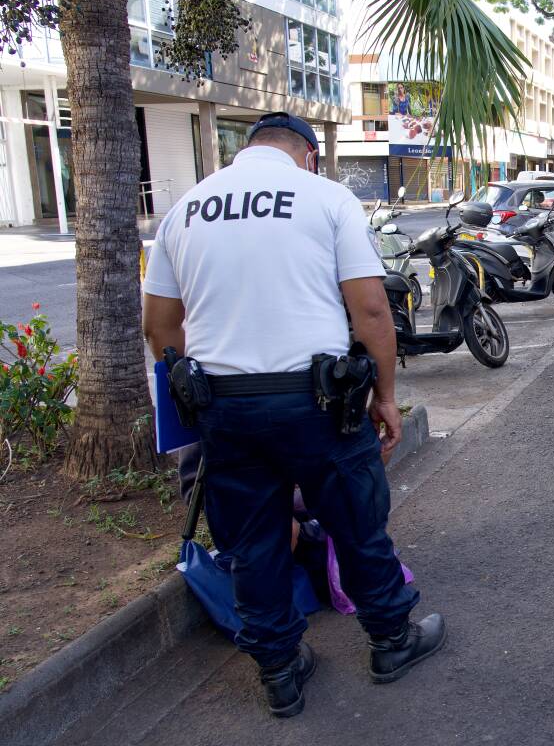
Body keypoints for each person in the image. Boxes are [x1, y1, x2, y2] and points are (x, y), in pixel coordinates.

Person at [142, 112, 446, 718]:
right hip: (319, 405)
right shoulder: (326, 199)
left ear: (247, 151)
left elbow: (161, 328)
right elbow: (370, 312)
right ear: (306, 153)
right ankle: (390, 641)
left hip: (226, 409)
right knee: (357, 524)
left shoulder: (186, 210)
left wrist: (196, 399)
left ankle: (280, 672)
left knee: (251, 543)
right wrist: (385, 396)